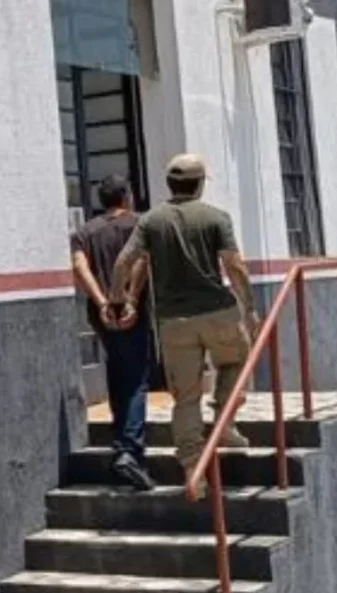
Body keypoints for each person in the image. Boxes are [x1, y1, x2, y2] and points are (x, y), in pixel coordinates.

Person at [108, 154, 259, 495]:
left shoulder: (151, 220)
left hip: (173, 321)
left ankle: (193, 469)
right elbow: (235, 266)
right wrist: (249, 309)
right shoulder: (216, 217)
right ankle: (224, 420)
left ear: (169, 183)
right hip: (218, 311)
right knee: (237, 361)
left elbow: (123, 262)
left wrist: (121, 300)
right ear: (200, 183)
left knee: (186, 397)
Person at [70, 176, 158, 491]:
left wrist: (102, 302)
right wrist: (130, 299)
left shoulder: (85, 232)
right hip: (132, 311)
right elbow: (142, 260)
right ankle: (129, 451)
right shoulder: (140, 225)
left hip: (102, 314)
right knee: (136, 380)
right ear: (126, 195)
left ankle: (120, 444)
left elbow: (80, 267)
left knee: (117, 374)